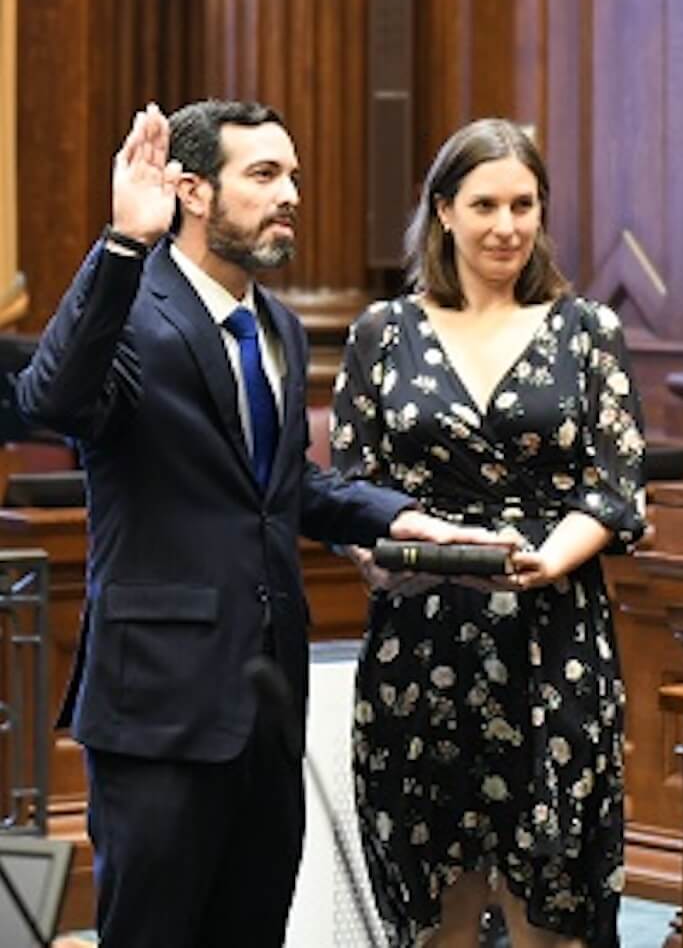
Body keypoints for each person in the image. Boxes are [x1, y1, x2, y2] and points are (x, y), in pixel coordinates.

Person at [18, 100, 487, 948]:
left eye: (293, 175)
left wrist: (405, 519)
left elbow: (279, 484)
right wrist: (123, 243)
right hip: (160, 706)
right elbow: (53, 400)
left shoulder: (273, 324)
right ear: (191, 191)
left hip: (268, 702)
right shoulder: (131, 303)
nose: (291, 195)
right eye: (265, 176)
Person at [330, 118, 646, 948]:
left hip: (555, 635)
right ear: (443, 211)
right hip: (420, 637)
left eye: (524, 204)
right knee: (437, 915)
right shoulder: (381, 332)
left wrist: (547, 564)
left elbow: (615, 488)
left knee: (553, 907)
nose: (506, 226)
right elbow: (349, 489)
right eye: (484, 205)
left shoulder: (586, 331)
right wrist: (380, 564)